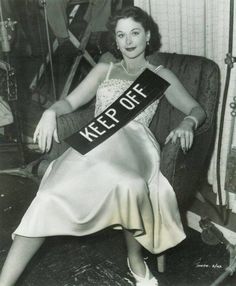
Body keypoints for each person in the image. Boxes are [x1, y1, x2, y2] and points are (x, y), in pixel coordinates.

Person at [0, 6, 206, 286]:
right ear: (116, 40)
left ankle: (135, 259)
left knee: (131, 184)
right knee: (48, 197)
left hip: (136, 144)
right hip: (95, 141)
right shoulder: (104, 70)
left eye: (134, 33)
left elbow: (196, 108)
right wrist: (50, 112)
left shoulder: (160, 75)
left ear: (147, 35)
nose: (128, 41)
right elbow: (70, 103)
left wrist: (188, 123)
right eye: (121, 35)